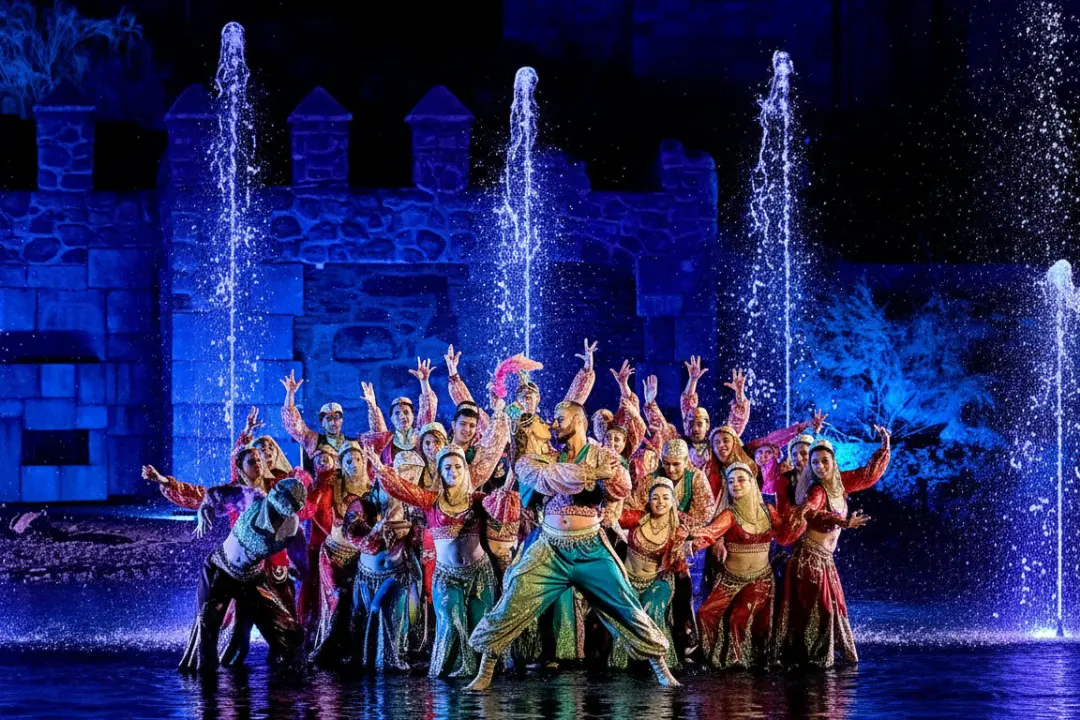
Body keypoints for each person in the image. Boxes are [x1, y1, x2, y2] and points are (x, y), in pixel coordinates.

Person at [466, 402, 678, 691]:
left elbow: (622, 488)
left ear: (578, 420)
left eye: (559, 419)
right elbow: (544, 478)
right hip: (551, 546)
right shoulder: (545, 458)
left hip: (590, 546)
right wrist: (593, 473)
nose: (554, 425)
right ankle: (485, 670)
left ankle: (660, 667)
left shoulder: (603, 453)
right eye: (552, 420)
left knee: (626, 604)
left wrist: (609, 475)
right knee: (513, 596)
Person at [364, 396, 512, 679]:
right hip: (446, 575)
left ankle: (486, 672)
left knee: (481, 622)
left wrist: (506, 491)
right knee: (451, 620)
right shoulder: (430, 500)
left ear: (465, 470)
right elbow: (403, 488)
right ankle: (450, 671)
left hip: (479, 574)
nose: (453, 471)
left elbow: (501, 511)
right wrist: (381, 469)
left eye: (457, 467)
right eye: (447, 467)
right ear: (440, 472)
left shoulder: (478, 499)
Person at [774, 428, 891, 668]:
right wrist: (842, 521)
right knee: (822, 609)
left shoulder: (840, 483)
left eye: (823, 461)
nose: (819, 466)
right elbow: (813, 511)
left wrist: (884, 447)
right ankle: (814, 662)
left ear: (833, 462)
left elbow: (868, 475)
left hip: (825, 559)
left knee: (831, 608)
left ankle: (817, 660)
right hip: (808, 559)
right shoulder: (816, 489)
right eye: (814, 462)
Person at [178, 476, 308, 673]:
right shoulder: (252, 498)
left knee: (290, 629)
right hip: (222, 569)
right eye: (285, 502)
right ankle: (205, 681)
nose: (288, 509)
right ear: (274, 494)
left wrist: (297, 571)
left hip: (252, 577)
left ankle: (287, 678)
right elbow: (213, 495)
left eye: (293, 506)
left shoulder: (293, 530)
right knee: (208, 621)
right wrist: (204, 510)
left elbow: (301, 565)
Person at [687, 463, 802, 668]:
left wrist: (800, 519)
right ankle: (714, 658)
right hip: (730, 579)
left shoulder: (768, 511)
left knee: (739, 618)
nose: (735, 485)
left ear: (752, 483)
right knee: (705, 614)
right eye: (731, 482)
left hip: (760, 579)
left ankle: (740, 663)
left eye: (740, 480)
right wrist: (692, 538)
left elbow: (784, 537)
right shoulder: (730, 514)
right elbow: (712, 532)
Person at [611, 477, 689, 671]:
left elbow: (678, 566)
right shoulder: (638, 518)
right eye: (655, 498)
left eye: (665, 498)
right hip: (628, 579)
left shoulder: (677, 530)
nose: (660, 502)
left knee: (650, 606)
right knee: (628, 612)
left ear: (672, 502)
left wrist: (680, 547)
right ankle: (624, 664)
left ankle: (661, 663)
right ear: (649, 501)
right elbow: (613, 516)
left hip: (658, 581)